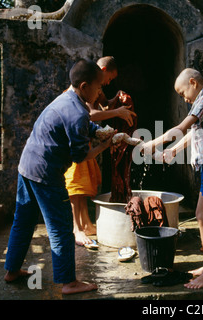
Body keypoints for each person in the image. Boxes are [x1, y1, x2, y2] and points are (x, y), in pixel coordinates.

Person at [4, 59, 116, 294]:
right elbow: (80, 156)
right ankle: (69, 282)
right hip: (46, 173)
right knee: (61, 227)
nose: (100, 92)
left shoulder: (67, 99)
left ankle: (12, 270)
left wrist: (100, 132)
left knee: (23, 221)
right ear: (85, 87)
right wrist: (106, 146)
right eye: (98, 87)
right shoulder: (78, 112)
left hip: (27, 166)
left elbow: (82, 126)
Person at [141, 68, 203, 289]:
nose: (183, 97)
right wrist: (173, 151)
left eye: (182, 92)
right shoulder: (201, 103)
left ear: (193, 82)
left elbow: (181, 128)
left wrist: (153, 143)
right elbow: (194, 132)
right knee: (201, 216)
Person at [64, 56, 136, 247]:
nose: (107, 84)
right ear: (102, 71)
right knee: (76, 185)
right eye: (109, 79)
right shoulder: (83, 90)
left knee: (84, 184)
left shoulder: (97, 89)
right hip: (75, 141)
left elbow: (105, 105)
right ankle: (76, 228)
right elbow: (89, 114)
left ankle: (86, 223)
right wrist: (117, 113)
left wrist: (118, 100)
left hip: (85, 139)